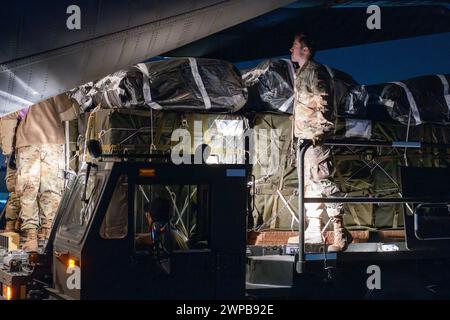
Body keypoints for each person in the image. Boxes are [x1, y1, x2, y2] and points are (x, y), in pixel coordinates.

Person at [290, 33, 352, 252]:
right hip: (304, 138)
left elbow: (324, 101)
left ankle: (340, 231)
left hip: (315, 139)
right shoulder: (302, 73)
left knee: (323, 181)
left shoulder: (315, 72)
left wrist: (320, 131)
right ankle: (314, 228)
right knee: (309, 183)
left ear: (305, 50)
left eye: (295, 46)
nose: (291, 50)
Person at [15, 93, 78, 252]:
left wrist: (7, 148)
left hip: (27, 142)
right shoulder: (53, 84)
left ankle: (31, 237)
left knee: (28, 190)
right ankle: (49, 233)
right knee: (51, 190)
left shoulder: (21, 86)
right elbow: (70, 113)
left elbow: (9, 115)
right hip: (52, 142)